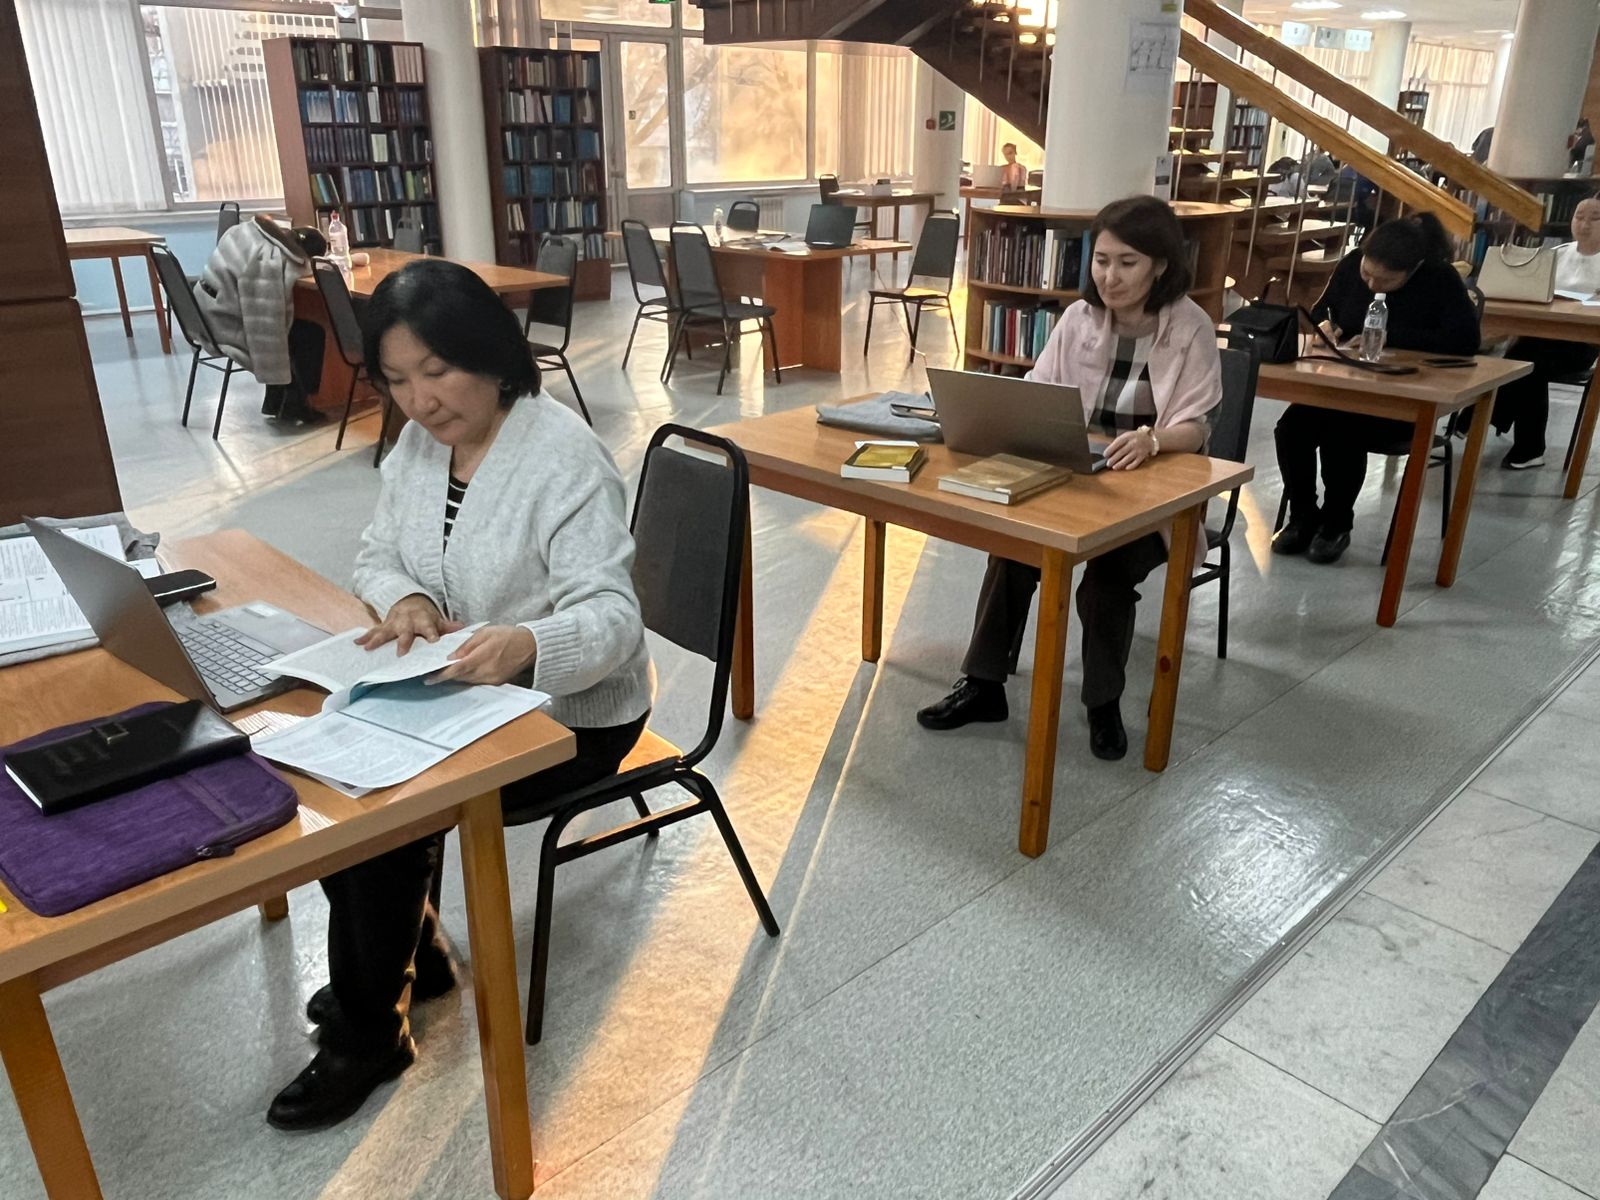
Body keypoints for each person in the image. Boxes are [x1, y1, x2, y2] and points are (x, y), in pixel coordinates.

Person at [266, 260, 652, 1131]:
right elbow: (378, 552)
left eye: (437, 371)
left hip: (568, 716)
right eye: (398, 380)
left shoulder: (564, 459)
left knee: (385, 816)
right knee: (333, 777)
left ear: (492, 357)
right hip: (455, 694)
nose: (420, 401)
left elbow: (615, 620)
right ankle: (411, 957)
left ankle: (369, 1034)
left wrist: (529, 646)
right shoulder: (418, 445)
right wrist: (405, 598)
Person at [916, 195, 1221, 761]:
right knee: (1012, 552)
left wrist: (1153, 439)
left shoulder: (1191, 327)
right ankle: (983, 685)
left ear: (1160, 264)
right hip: (1077, 477)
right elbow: (1039, 388)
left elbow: (1197, 425)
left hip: (1152, 491)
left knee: (1107, 578)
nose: (1109, 276)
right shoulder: (1079, 318)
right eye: (1101, 260)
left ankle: (1102, 703)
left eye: (1127, 262)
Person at [1272, 212, 1480, 564]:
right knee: (1291, 429)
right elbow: (1323, 309)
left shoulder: (1439, 278)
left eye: (1385, 280)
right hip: (1344, 387)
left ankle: (1336, 525)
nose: (1371, 284)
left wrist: (1389, 337)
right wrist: (1326, 326)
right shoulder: (1352, 264)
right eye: (1367, 273)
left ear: (1412, 270)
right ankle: (1303, 516)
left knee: (1342, 432)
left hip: (1402, 401)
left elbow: (1465, 340)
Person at [1490, 196, 1600, 469]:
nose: (1584, 224)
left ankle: (1484, 418)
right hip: (1541, 335)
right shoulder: (1557, 254)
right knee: (1525, 359)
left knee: (1527, 362)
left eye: (1594, 218)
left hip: (1583, 344)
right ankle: (1528, 447)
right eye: (1579, 216)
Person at [193, 215, 328, 423]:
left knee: (292, 326)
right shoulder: (269, 261)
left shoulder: (246, 231)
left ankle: (276, 400)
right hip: (225, 326)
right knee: (311, 334)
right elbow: (265, 326)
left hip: (206, 312)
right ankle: (296, 403)